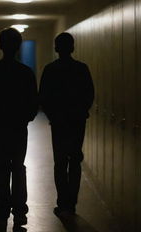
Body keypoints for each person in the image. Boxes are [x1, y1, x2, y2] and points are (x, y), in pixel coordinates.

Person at [0, 28, 38, 231]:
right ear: (18, 46)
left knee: (2, 170)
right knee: (18, 169)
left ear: (1, 46)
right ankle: (20, 213)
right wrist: (25, 119)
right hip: (18, 130)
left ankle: (2, 214)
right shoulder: (25, 73)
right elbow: (33, 102)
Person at [39, 32, 94, 217]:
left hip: (59, 123)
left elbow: (43, 97)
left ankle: (62, 203)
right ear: (72, 47)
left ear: (56, 48)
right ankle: (71, 203)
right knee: (75, 160)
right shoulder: (82, 69)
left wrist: (54, 116)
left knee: (60, 162)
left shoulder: (50, 69)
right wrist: (79, 112)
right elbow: (89, 95)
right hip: (77, 122)